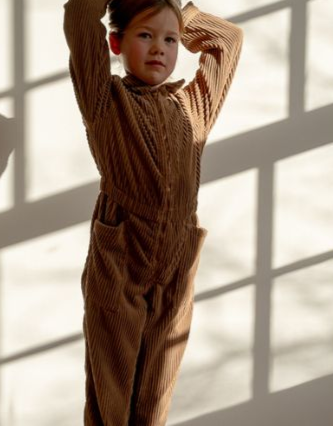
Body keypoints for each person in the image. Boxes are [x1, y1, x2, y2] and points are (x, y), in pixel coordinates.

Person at [63, 0, 242, 424]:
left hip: (178, 259)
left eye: (171, 39)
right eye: (145, 35)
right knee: (111, 392)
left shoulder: (193, 108)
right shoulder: (105, 100)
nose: (160, 48)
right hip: (121, 252)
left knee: (155, 396)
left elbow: (228, 41)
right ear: (116, 43)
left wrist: (179, 12)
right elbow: (80, 15)